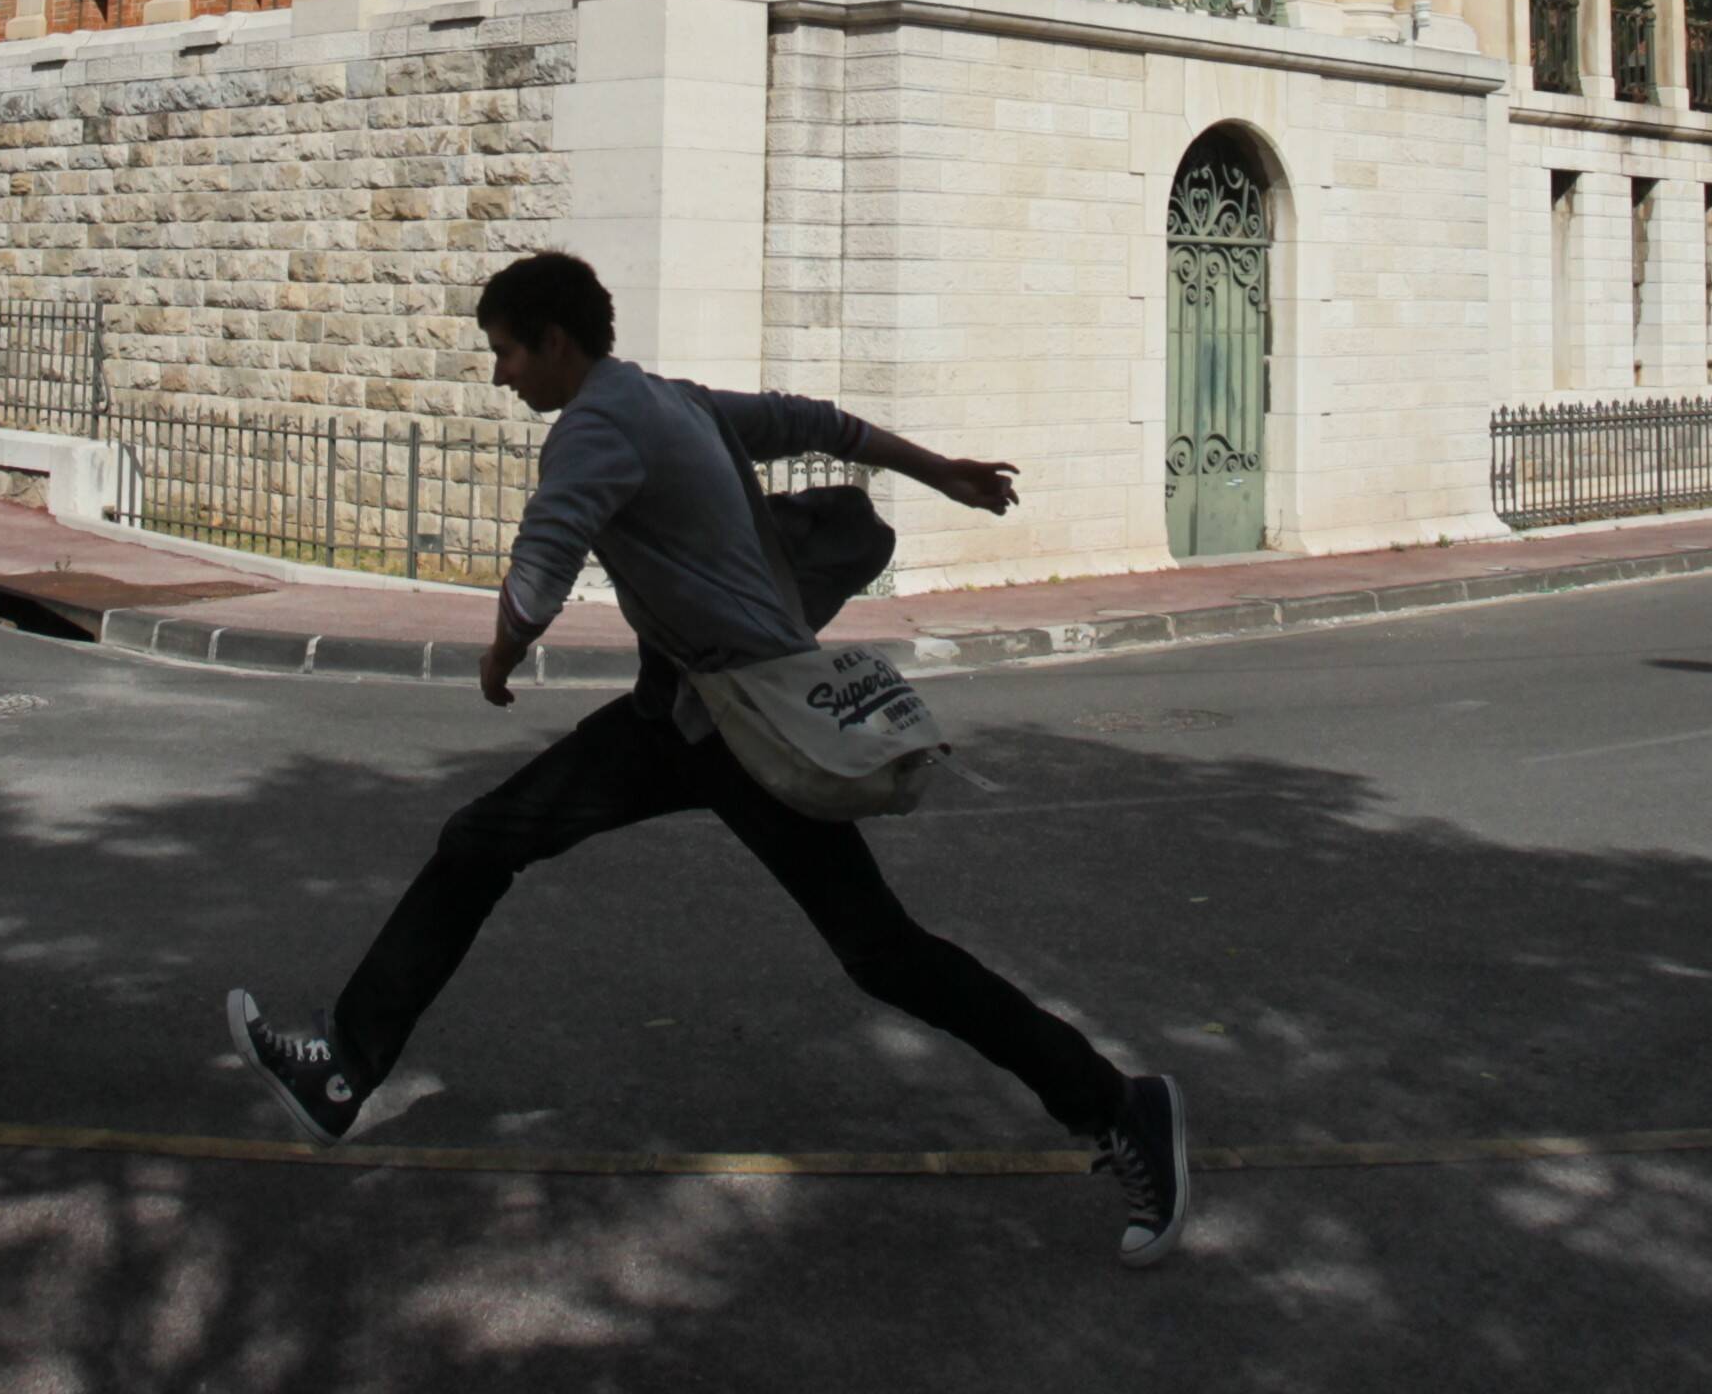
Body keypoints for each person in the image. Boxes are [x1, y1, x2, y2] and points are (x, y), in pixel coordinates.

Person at [227, 248, 1190, 1265]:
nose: (500, 374)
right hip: (670, 718)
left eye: (506, 352)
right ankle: (343, 1068)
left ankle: (1121, 1108)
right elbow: (814, 421)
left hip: (746, 729)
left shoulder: (597, 426)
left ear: (556, 342)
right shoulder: (665, 399)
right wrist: (934, 469)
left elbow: (542, 568)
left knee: (884, 954)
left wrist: (501, 657)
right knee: (479, 841)